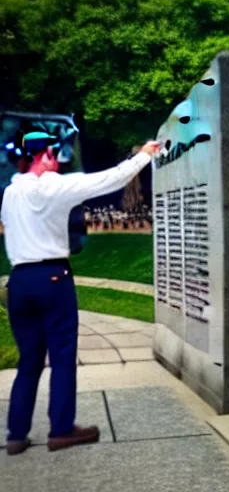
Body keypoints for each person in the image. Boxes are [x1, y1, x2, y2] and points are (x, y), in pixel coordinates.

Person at [1, 132, 159, 455]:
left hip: (19, 281)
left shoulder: (9, 193)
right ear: (43, 155)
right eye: (55, 154)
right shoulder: (53, 187)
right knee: (61, 355)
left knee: (29, 360)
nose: (59, 160)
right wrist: (144, 155)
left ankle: (16, 434)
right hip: (52, 277)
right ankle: (61, 430)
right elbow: (109, 180)